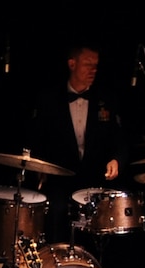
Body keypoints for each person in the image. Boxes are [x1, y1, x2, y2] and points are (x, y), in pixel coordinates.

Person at [27, 43, 125, 187]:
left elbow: (120, 138)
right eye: (88, 64)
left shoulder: (106, 99)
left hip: (96, 180)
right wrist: (40, 166)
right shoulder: (49, 99)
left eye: (96, 65)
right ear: (72, 64)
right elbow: (36, 137)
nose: (94, 70)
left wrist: (116, 160)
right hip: (59, 181)